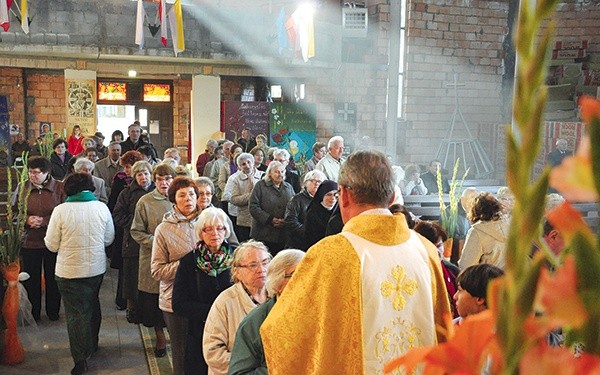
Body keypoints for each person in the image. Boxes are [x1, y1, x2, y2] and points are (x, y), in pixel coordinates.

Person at [260, 150, 451, 375]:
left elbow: (283, 332)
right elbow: (443, 333)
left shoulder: (330, 255)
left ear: (344, 195)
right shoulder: (426, 251)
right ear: (391, 198)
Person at [44, 173, 115, 375]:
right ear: (90, 187)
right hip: (95, 269)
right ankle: (93, 343)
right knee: (92, 303)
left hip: (68, 271)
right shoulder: (101, 208)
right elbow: (109, 239)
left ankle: (80, 358)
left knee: (76, 314)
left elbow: (51, 244)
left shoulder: (60, 211)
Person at [172, 207, 236, 375]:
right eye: (208, 229)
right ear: (200, 232)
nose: (215, 233)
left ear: (226, 230)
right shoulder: (189, 261)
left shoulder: (237, 258)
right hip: (201, 332)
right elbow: (178, 303)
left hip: (232, 331)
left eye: (219, 228)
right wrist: (215, 313)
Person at [151, 176, 202, 375]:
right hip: (174, 299)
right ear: (173, 200)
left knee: (204, 348)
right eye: (182, 195)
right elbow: (157, 271)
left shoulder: (208, 222)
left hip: (204, 297)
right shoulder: (164, 229)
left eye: (191, 194)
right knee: (181, 352)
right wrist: (187, 265)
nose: (188, 199)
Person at [228, 249, 305, 375]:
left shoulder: (320, 315)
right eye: (296, 274)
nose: (306, 279)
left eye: (309, 272)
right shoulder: (254, 323)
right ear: (277, 283)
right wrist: (279, 368)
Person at [203, 240, 271, 375]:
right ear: (237, 271)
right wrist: (250, 367)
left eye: (265, 262)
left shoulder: (276, 295)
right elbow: (212, 352)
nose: (261, 269)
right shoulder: (225, 302)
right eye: (253, 265)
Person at [129, 163, 176, 358]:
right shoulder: (145, 201)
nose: (164, 183)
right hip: (153, 257)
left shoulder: (181, 198)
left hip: (177, 259)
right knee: (155, 302)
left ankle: (176, 335)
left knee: (176, 300)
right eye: (159, 179)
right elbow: (136, 231)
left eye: (167, 179)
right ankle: (160, 338)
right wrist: (156, 241)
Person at [16, 156, 66, 322]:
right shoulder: (22, 188)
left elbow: (65, 212)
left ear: (47, 173)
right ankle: (34, 313)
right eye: (30, 172)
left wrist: (44, 221)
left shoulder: (59, 188)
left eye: (36, 173)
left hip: (52, 241)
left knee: (53, 278)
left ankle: (53, 311)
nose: (32, 176)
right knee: (32, 279)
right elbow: (14, 212)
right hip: (30, 241)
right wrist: (26, 220)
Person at [112, 161, 155, 323]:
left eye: (146, 174)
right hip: (132, 241)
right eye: (139, 174)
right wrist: (137, 222)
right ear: (134, 177)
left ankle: (148, 310)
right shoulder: (127, 193)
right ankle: (131, 308)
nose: (143, 177)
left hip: (151, 240)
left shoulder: (156, 191)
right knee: (131, 278)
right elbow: (117, 215)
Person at [107, 150, 144, 311]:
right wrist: (135, 223)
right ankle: (124, 300)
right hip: (126, 232)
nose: (127, 171)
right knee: (126, 269)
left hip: (143, 236)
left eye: (130, 167)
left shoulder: (150, 190)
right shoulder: (121, 184)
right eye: (126, 167)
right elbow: (115, 208)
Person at [413, 220, 460, 317]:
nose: (437, 252)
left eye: (439, 246)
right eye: (431, 248)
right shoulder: (414, 274)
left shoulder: (452, 271)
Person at [249, 161, 294, 255]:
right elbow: (253, 206)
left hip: (283, 234)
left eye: (282, 171)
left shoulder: (288, 187)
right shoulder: (260, 186)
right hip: (264, 233)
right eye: (277, 172)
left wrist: (285, 220)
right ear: (269, 173)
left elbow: (293, 207)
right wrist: (270, 219)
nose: (280, 174)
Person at [458, 192, 510, 270]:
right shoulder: (511, 226)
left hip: (489, 280)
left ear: (476, 210)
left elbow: (466, 266)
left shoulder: (477, 232)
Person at [284, 170, 325, 250]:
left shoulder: (324, 200)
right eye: (313, 181)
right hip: (299, 244)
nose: (316, 184)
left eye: (319, 182)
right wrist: (307, 232)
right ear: (305, 183)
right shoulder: (296, 199)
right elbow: (290, 220)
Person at [229, 153, 264, 242]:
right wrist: (251, 195)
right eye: (243, 164)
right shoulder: (236, 179)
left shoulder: (263, 176)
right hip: (244, 220)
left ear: (253, 162)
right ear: (240, 166)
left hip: (260, 219)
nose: (247, 166)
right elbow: (234, 199)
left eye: (249, 162)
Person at [304, 180, 339, 249]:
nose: (332, 198)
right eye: (329, 194)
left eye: (335, 195)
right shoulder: (313, 213)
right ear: (322, 195)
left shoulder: (339, 211)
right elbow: (309, 238)